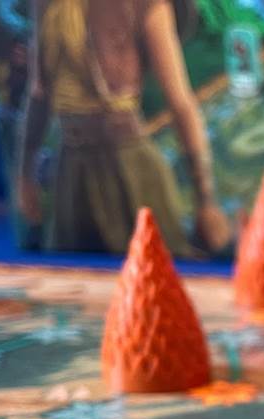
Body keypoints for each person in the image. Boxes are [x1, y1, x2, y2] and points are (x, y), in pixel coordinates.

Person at [16, 0, 231, 257]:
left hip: (130, 167)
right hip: (72, 173)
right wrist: (25, 175)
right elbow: (39, 92)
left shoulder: (146, 5)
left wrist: (206, 201)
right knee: (79, 270)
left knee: (152, 266)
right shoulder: (47, 5)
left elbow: (180, 103)